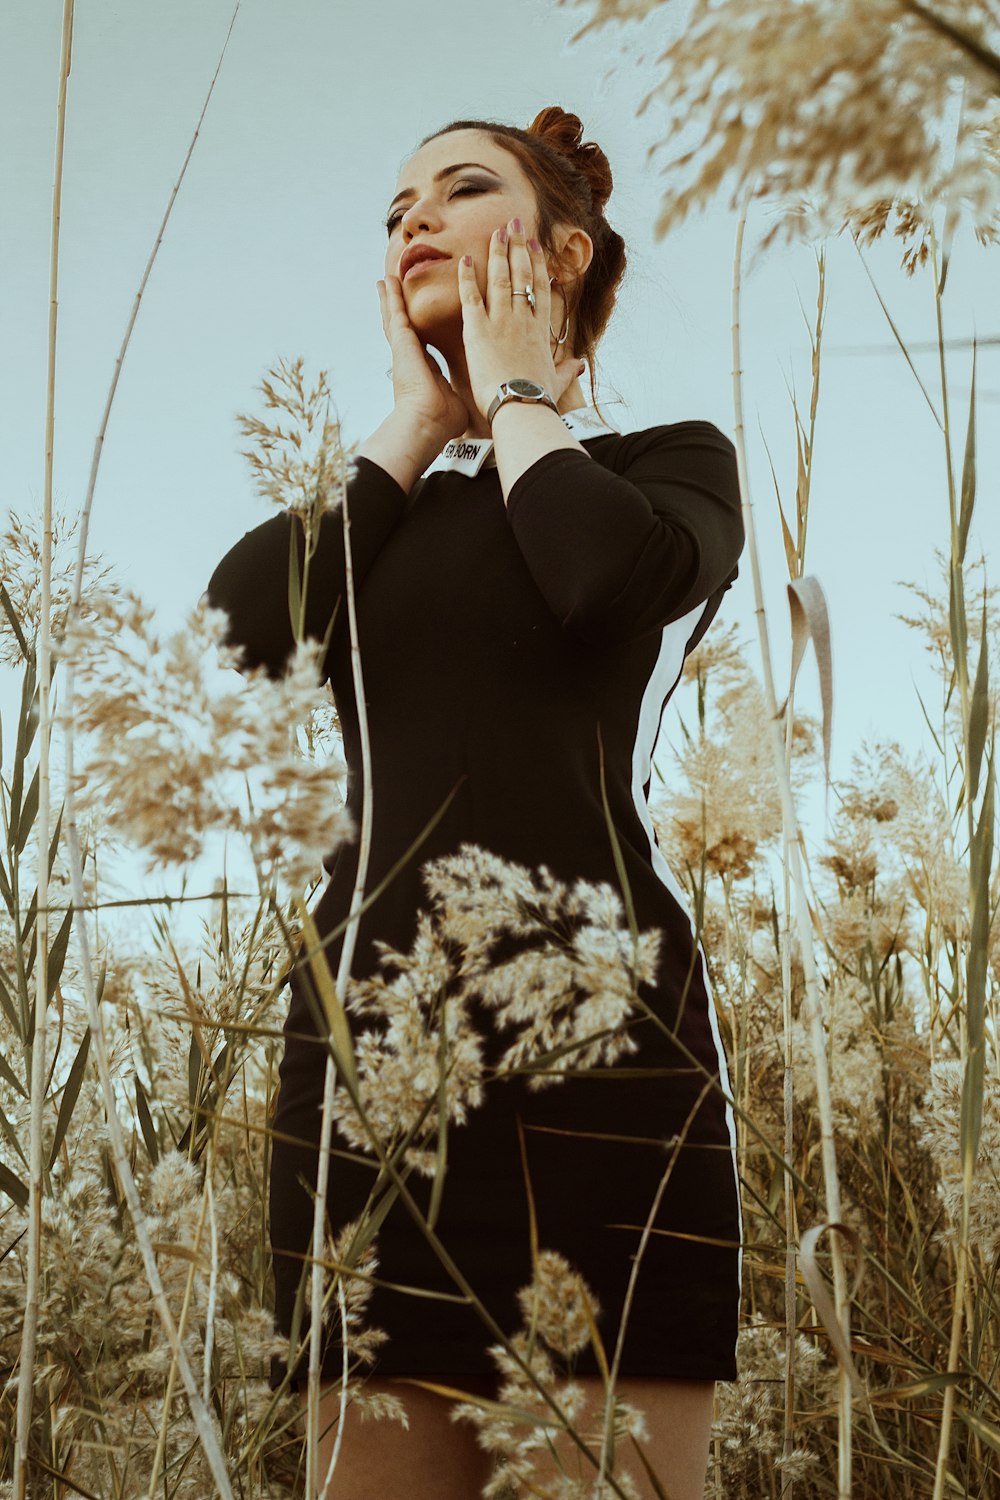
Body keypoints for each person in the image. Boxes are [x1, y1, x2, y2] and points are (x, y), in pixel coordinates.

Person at [206, 106, 745, 1500]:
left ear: (565, 252)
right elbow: (240, 635)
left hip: (605, 1050)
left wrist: (515, 395)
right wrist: (417, 418)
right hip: (371, 1055)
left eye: (459, 189)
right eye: (395, 210)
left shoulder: (657, 469)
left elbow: (595, 580)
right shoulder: (389, 516)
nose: (414, 221)